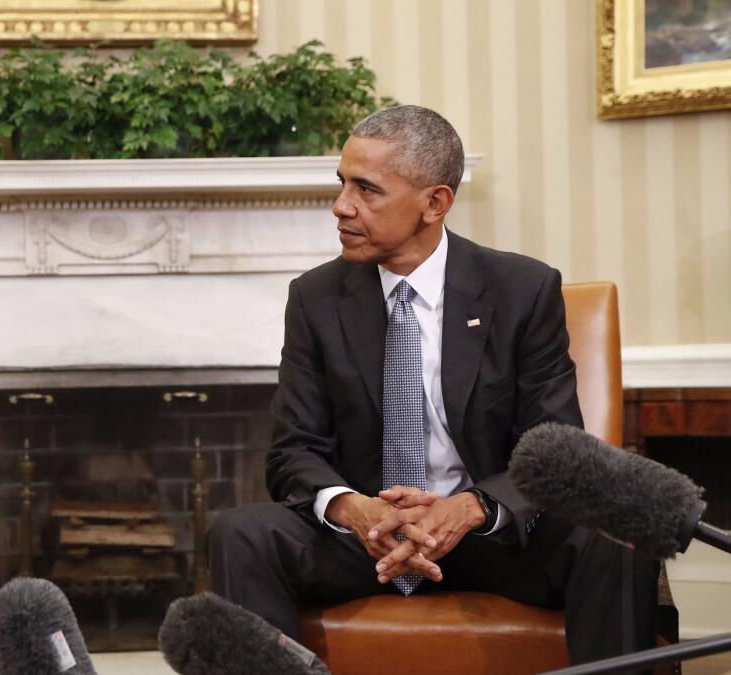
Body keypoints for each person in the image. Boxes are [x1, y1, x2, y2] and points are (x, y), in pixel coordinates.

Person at [207, 105, 659, 666]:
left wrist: (472, 508)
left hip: (488, 536)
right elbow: (293, 450)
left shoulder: (521, 289)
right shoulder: (316, 298)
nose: (341, 205)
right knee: (240, 533)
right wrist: (355, 509)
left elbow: (555, 444)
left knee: (615, 531)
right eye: (342, 183)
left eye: (367, 189)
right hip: (365, 539)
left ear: (435, 202)